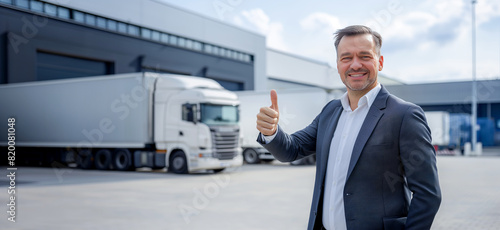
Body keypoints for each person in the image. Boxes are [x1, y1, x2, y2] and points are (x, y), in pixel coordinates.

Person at [256, 25, 441, 230]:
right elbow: (292, 149)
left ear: (379, 62)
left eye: (364, 56)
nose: (355, 65)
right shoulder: (331, 111)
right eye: (346, 58)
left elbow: (427, 194)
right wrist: (271, 131)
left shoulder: (404, 115)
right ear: (338, 65)